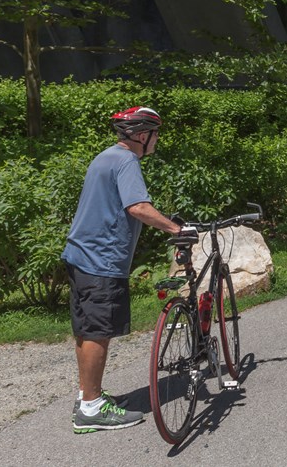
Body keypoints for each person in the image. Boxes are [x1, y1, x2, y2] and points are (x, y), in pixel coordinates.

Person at [62, 106, 192, 433]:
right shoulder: (126, 161)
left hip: (81, 255)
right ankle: (91, 408)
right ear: (142, 135)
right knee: (98, 330)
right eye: (156, 133)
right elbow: (138, 207)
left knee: (88, 328)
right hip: (101, 260)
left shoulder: (105, 156)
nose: (157, 139)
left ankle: (87, 396)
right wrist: (177, 230)